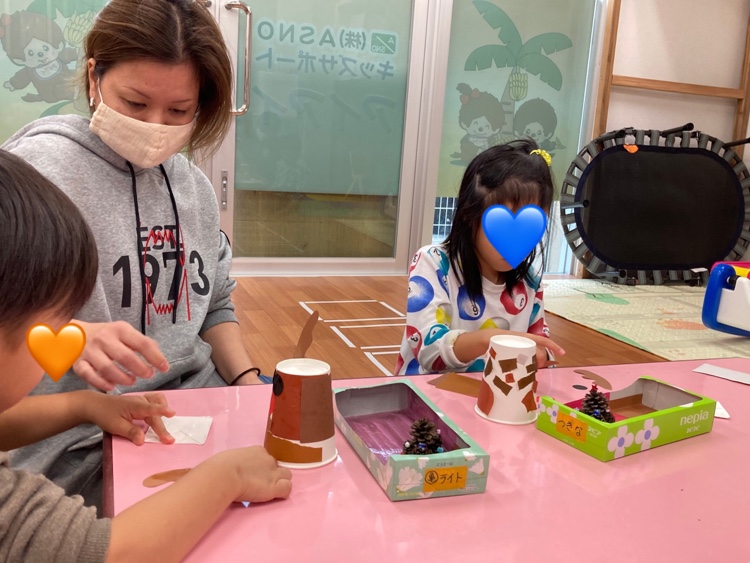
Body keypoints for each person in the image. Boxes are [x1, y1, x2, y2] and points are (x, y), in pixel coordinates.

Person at [2, 0, 264, 511]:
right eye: (136, 103)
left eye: (179, 112)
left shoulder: (194, 188)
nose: (155, 125)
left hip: (198, 407)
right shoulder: (36, 175)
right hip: (76, 437)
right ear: (94, 77)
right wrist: (71, 335)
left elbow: (215, 303)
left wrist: (249, 386)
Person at [0, 149, 292, 561]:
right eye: (56, 326)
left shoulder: (195, 189)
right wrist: (230, 475)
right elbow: (111, 552)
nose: (67, 336)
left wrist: (86, 405)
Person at [396, 140, 565, 375]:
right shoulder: (434, 263)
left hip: (494, 393)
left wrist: (541, 355)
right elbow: (428, 351)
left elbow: (541, 344)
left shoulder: (529, 281)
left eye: (530, 226)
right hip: (426, 393)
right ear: (469, 213)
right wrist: (489, 340)